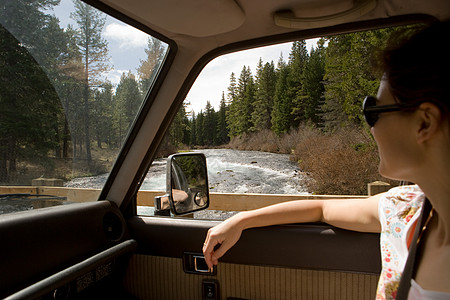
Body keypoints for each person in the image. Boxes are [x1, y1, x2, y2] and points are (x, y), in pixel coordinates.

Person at [202, 21, 450, 300]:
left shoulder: (404, 211)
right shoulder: (403, 209)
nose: (371, 127)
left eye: (374, 111)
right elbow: (320, 208)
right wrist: (241, 220)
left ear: (424, 123)